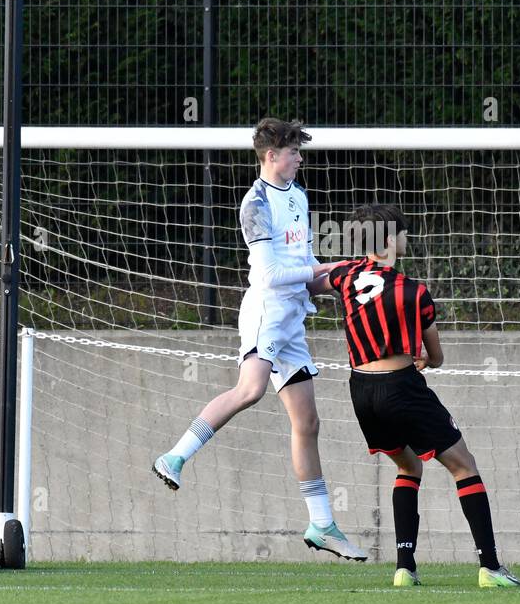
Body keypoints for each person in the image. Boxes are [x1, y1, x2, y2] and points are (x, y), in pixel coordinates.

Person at [153, 118, 366, 561]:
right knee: (249, 390)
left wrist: (348, 278)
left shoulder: (300, 198)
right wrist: (329, 268)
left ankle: (322, 523)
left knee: (307, 422)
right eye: (293, 152)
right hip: (266, 312)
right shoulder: (256, 203)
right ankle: (174, 456)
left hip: (291, 319)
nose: (300, 158)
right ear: (271, 155)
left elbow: (306, 274)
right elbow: (270, 275)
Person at [328, 203, 520, 587]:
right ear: (387, 241)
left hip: (361, 392)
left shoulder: (344, 277)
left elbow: (316, 278)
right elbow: (436, 357)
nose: (407, 238)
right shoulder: (415, 293)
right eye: (402, 233)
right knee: (464, 466)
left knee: (408, 466)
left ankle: (404, 568)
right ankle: (490, 568)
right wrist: (424, 360)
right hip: (401, 388)